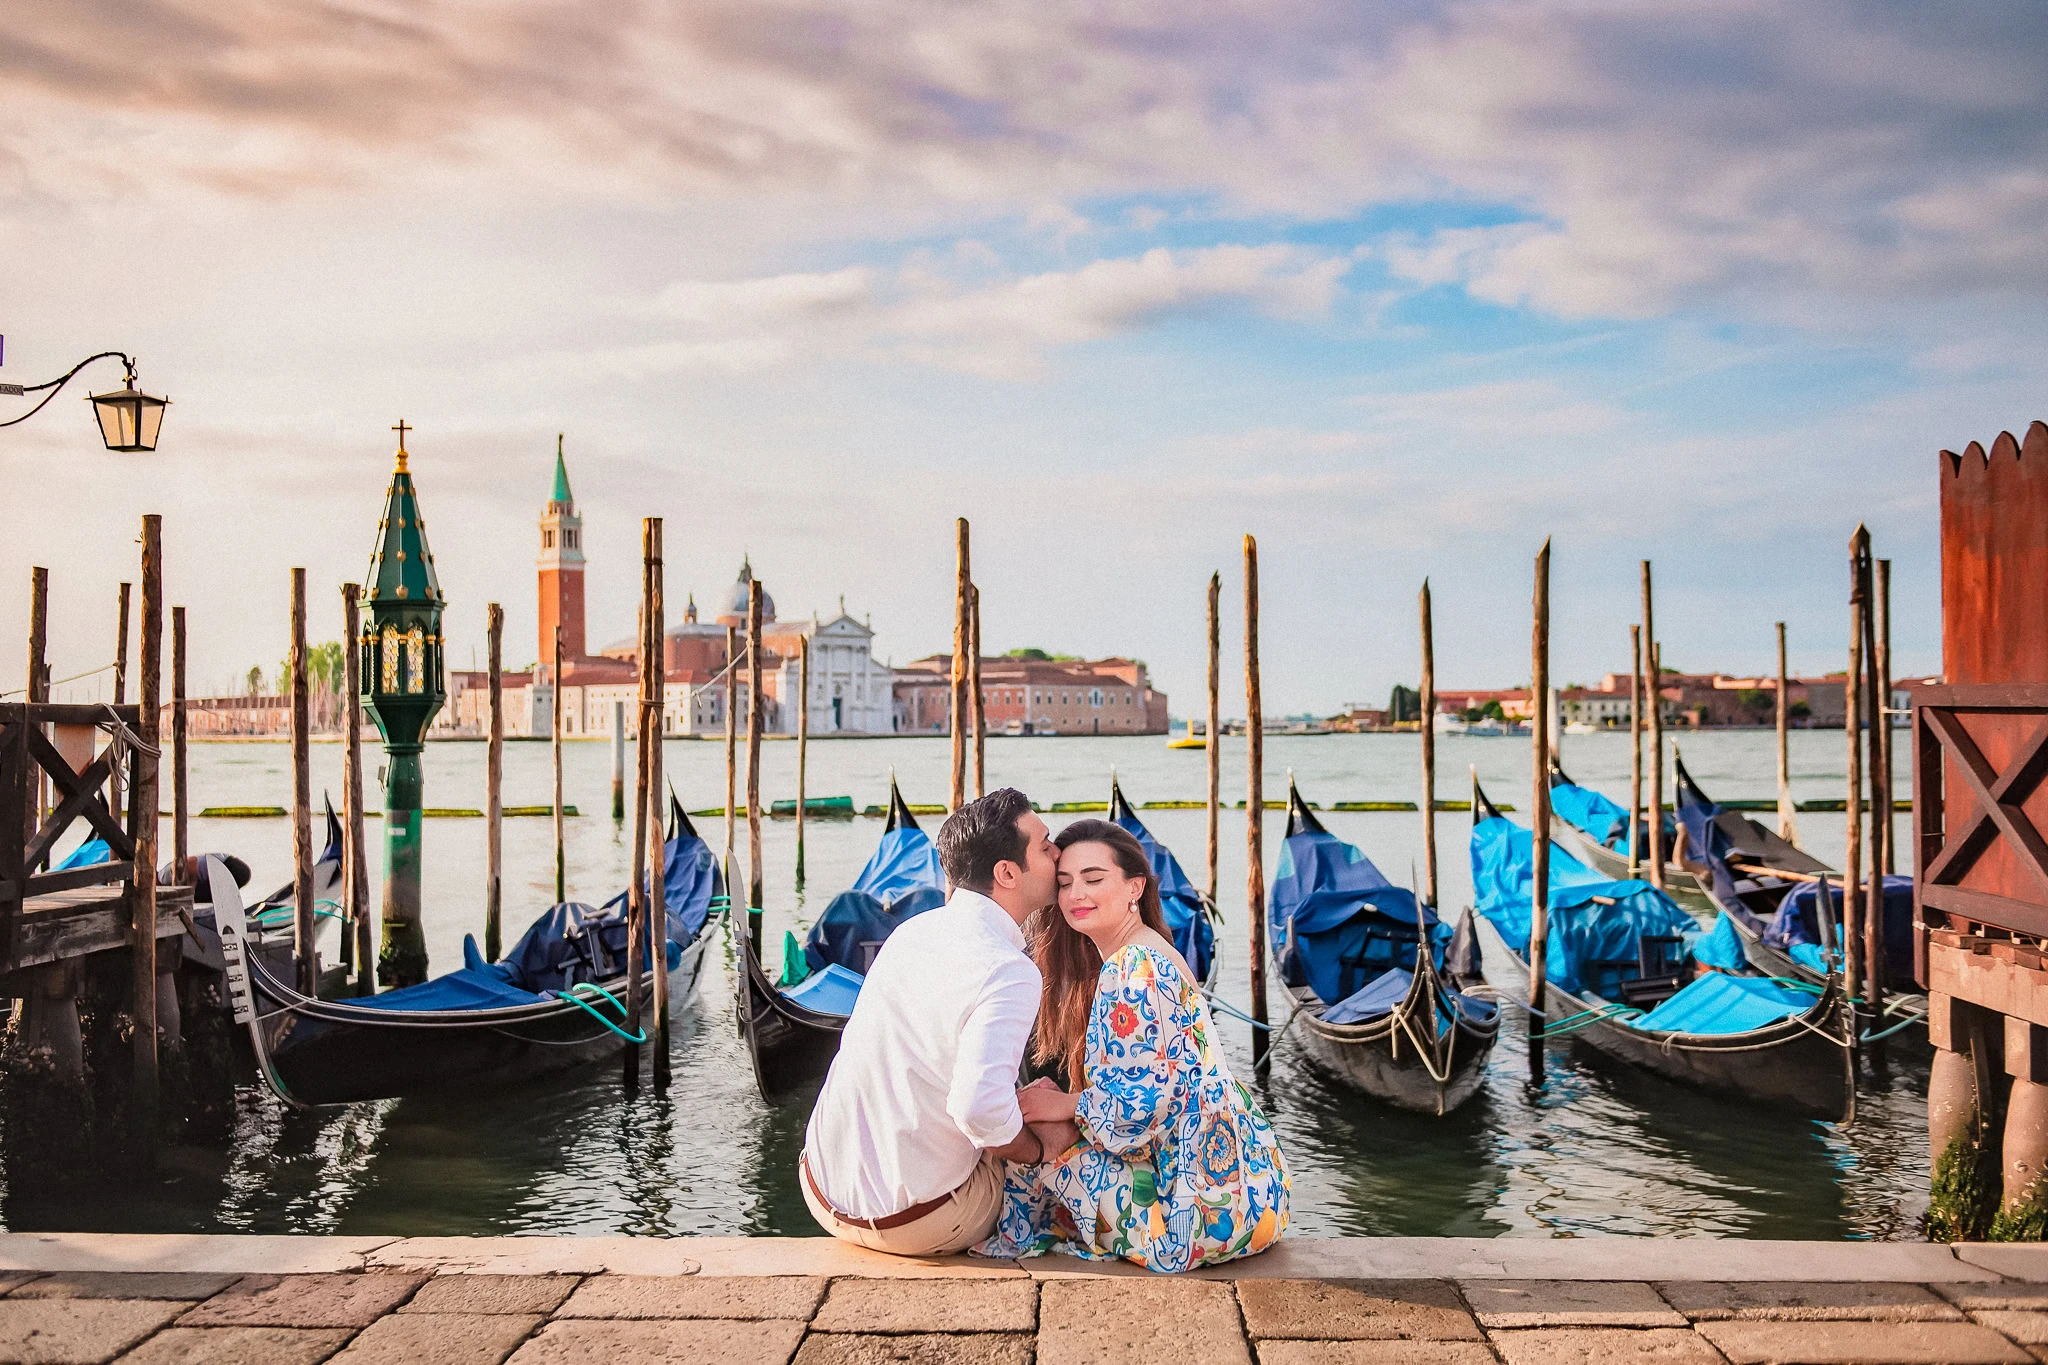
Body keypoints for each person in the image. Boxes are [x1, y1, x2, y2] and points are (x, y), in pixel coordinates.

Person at [978, 818, 1289, 1271]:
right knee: (1042, 1109)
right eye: (1064, 883)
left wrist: (1066, 1107)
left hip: (1191, 1223)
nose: (1075, 894)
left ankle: (1011, 1238)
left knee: (1027, 1132)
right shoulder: (1151, 950)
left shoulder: (1134, 969)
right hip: (1253, 1199)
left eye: (1094, 879)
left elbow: (1140, 1111)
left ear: (1134, 887)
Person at [800, 787, 1063, 1255]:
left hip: (820, 1192)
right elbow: (979, 1111)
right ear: (1007, 873)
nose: (1056, 853)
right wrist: (1041, 1146)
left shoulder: (910, 932)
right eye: (1044, 847)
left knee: (1018, 1107)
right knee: (1054, 1137)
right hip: (914, 1223)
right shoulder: (1009, 969)